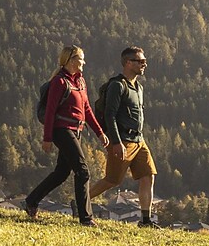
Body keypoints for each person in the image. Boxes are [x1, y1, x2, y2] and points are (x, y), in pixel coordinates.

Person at [26, 44, 106, 224]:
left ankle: (31, 200)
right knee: (83, 171)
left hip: (76, 131)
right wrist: (47, 138)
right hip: (61, 130)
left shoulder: (80, 82)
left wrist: (100, 133)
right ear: (70, 60)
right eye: (81, 58)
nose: (84, 62)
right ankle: (85, 218)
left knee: (61, 173)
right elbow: (50, 112)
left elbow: (86, 110)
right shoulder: (59, 82)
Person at [95, 45, 157, 226]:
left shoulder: (139, 87)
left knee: (148, 175)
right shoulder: (117, 85)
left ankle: (145, 220)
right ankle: (80, 201)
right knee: (111, 180)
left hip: (139, 140)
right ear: (128, 63)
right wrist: (116, 142)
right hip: (123, 140)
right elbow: (109, 115)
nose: (144, 65)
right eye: (140, 61)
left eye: (145, 61)